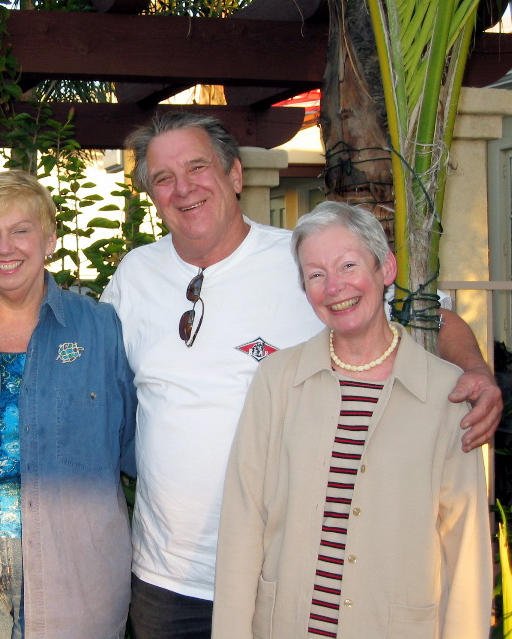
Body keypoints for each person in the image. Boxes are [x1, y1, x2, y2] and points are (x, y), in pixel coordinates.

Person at [100, 112, 502, 638]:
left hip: (279, 575)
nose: (183, 189)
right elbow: (90, 367)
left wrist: (475, 371)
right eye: (163, 179)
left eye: (198, 168)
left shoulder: (304, 262)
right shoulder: (135, 274)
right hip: (167, 578)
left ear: (235, 176)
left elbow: (432, 314)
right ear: (152, 196)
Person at [211, 202, 492, 638]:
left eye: (348, 265)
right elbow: (244, 519)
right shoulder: (277, 380)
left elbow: (466, 548)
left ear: (386, 269)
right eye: (316, 274)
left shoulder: (446, 393)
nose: (334, 287)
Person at [0, 170, 136, 639]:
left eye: (21, 231)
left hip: (75, 565)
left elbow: (131, 440)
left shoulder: (101, 328)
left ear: (49, 238)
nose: (4, 248)